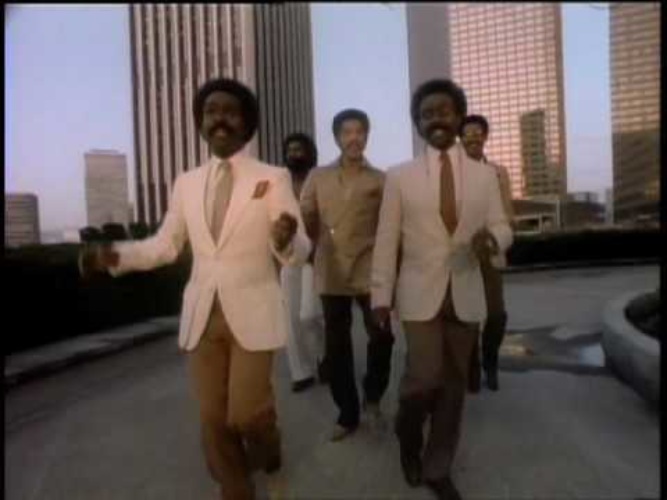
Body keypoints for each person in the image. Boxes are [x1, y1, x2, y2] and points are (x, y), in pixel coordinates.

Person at [79, 78, 310, 500]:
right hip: (203, 314)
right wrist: (112, 256)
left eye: (230, 112)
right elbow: (165, 246)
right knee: (212, 418)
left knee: (247, 413)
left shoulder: (272, 177)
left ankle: (268, 445)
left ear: (247, 124)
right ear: (201, 123)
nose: (219, 119)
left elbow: (301, 246)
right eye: (210, 112)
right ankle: (235, 489)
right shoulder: (185, 183)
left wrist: (285, 238)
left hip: (254, 310)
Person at [371, 79, 512, 500]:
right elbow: (386, 238)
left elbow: (502, 224)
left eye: (444, 111)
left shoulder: (485, 175)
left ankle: (437, 467)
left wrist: (494, 239)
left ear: (458, 116)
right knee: (423, 378)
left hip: (466, 289)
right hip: (418, 292)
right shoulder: (400, 176)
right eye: (426, 113)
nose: (436, 119)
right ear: (417, 122)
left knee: (452, 388)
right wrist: (380, 296)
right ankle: (408, 432)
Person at [300, 109, 395, 441]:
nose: (354, 138)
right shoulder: (317, 177)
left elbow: (390, 226)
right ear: (337, 138)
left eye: (359, 131)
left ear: (367, 136)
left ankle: (373, 396)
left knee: (383, 337)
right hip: (332, 270)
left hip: (370, 270)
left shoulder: (381, 179)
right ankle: (347, 413)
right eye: (346, 132)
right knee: (337, 347)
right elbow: (305, 218)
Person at [460, 114, 515, 392]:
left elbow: (508, 213)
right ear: (460, 139)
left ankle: (490, 361)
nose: (473, 136)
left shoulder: (498, 172)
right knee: (467, 315)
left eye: (477, 132)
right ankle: (470, 365)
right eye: (467, 133)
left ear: (485, 136)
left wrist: (496, 237)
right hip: (461, 255)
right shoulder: (453, 173)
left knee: (496, 314)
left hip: (490, 251)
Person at [280, 132, 326, 392]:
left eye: (299, 149)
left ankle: (324, 356)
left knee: (309, 314)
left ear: (309, 153)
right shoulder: (279, 183)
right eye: (290, 150)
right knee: (291, 319)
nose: (294, 154)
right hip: (288, 257)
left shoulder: (319, 179)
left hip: (315, 256)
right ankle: (301, 373)